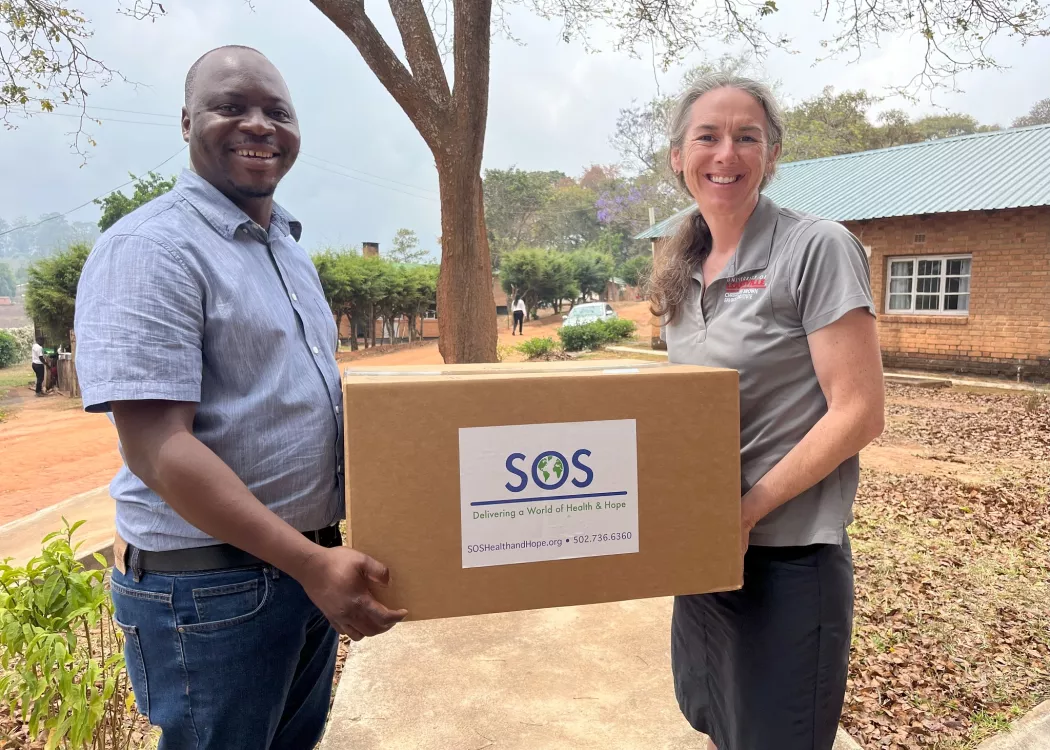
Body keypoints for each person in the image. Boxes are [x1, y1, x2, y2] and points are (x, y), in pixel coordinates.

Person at [74, 46, 407, 750]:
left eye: (276, 112)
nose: (258, 125)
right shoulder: (151, 249)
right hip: (212, 593)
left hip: (300, 574)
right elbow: (158, 449)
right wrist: (313, 565)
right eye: (233, 107)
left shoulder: (285, 246)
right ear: (188, 120)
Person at [649, 74, 885, 750]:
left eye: (747, 137)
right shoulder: (681, 257)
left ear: (773, 154)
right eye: (708, 136)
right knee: (714, 718)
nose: (726, 153)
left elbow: (860, 412)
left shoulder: (815, 247)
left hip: (785, 559)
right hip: (702, 552)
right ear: (678, 157)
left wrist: (744, 511)